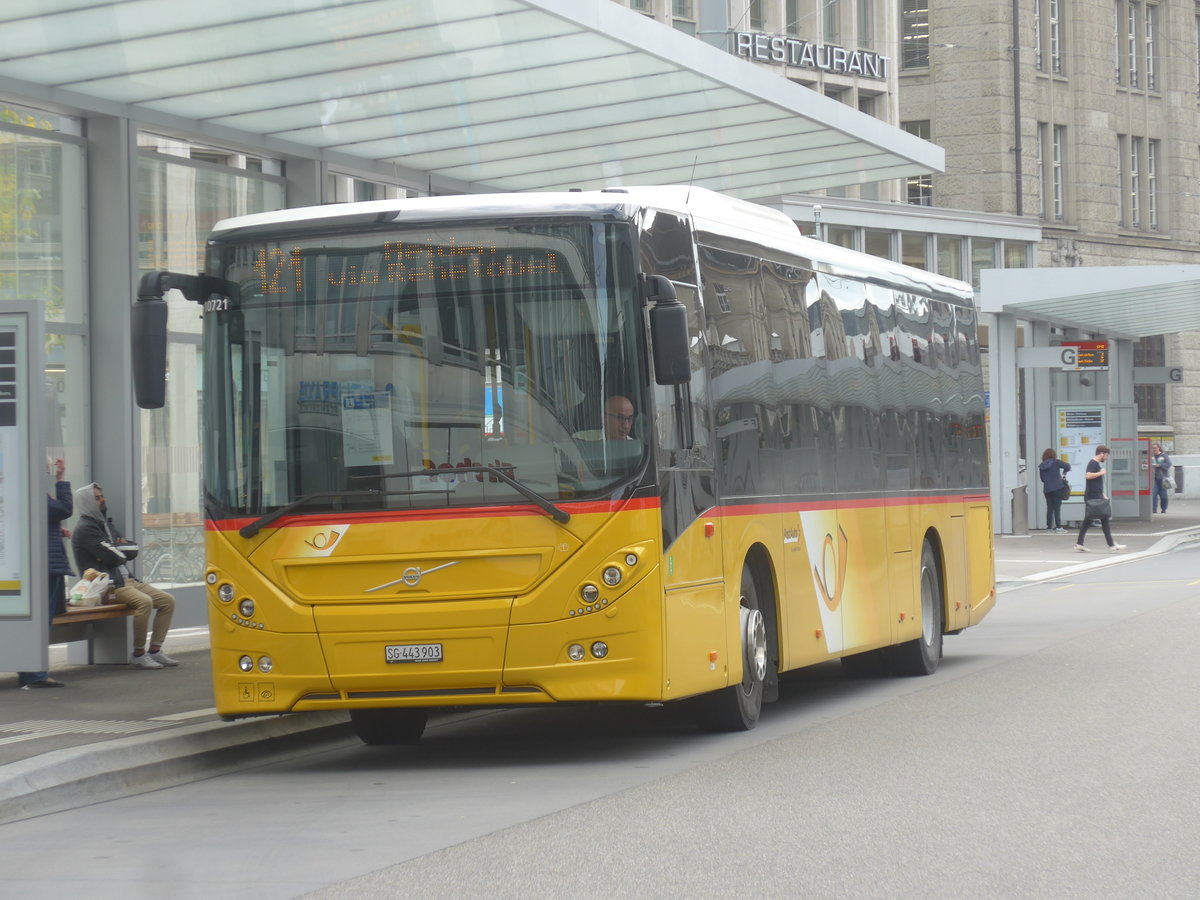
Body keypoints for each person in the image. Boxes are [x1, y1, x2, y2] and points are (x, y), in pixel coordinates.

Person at [72, 483, 178, 669]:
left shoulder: (105, 525)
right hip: (109, 585)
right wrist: (116, 548)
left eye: (101, 495)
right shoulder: (85, 529)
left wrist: (115, 547)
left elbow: (132, 549)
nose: (103, 499)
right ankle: (138, 653)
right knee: (145, 602)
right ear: (87, 503)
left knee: (168, 601)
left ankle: (155, 651)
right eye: (97, 498)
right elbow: (115, 555)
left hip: (127, 580)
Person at [17, 459, 74, 689]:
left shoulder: (21, 490)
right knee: (43, 618)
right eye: (46, 469)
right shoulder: (34, 492)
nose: (48, 473)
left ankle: (30, 670)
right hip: (45, 565)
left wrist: (55, 530)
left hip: (37, 564)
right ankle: (36, 674)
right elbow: (64, 509)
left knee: (38, 618)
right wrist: (61, 481)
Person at [1075, 445, 1125, 553]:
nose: (1106, 458)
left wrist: (1102, 494)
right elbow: (1088, 476)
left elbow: (1095, 483)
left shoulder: (1095, 464)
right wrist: (1101, 473)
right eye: (1106, 455)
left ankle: (1080, 544)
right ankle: (1111, 544)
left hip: (1096, 495)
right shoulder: (1093, 463)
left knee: (1089, 521)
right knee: (1103, 519)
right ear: (1101, 453)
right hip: (1092, 496)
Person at [1037, 448, 1070, 533]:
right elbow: (1068, 466)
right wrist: (1064, 473)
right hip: (1057, 487)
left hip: (1047, 489)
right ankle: (1058, 527)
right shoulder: (1056, 462)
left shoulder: (1042, 465)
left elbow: (1042, 479)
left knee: (1049, 508)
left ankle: (1049, 528)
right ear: (1053, 455)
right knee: (1057, 508)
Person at [1151, 442, 1172, 514]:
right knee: (1154, 494)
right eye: (1153, 448)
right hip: (1154, 478)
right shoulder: (1152, 456)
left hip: (1163, 478)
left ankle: (1163, 508)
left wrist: (1160, 465)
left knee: (1163, 495)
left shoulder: (1164, 455)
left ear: (1159, 448)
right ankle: (1154, 509)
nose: (1154, 449)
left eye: (1155, 448)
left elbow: (1168, 464)